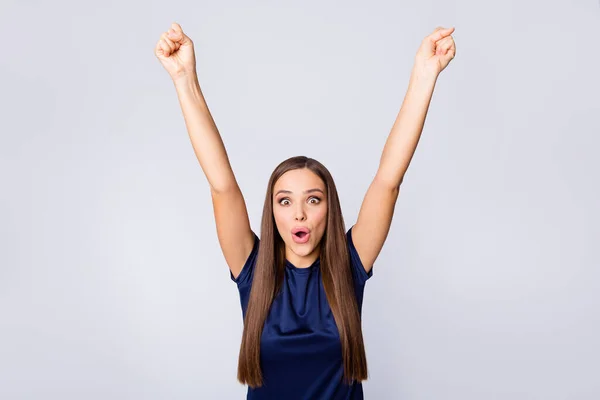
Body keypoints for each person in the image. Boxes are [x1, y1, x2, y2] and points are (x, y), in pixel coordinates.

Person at [154, 22, 456, 399]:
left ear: (329, 210)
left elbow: (388, 181)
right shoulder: (252, 268)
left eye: (313, 199)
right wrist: (185, 79)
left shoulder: (349, 263)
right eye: (285, 200)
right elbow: (222, 184)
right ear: (273, 211)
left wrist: (424, 76)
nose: (299, 213)